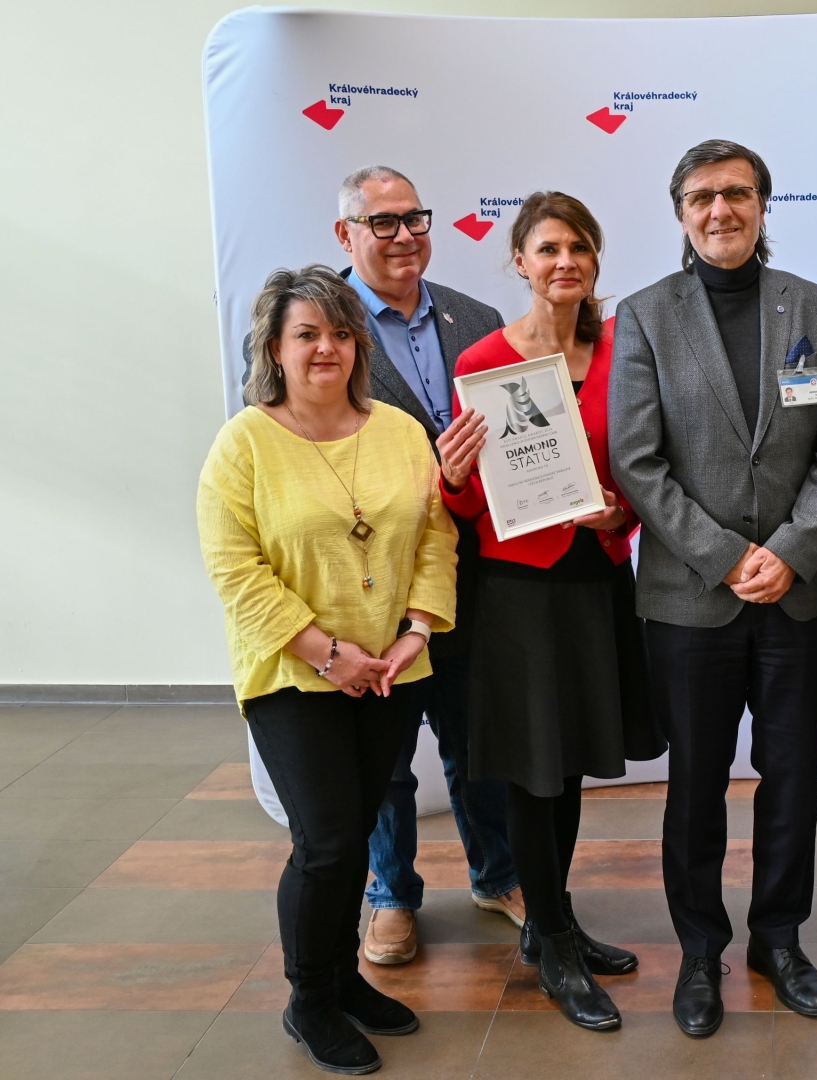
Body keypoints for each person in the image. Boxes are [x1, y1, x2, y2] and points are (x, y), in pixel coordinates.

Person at [609, 139, 817, 1037]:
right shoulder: (643, 315)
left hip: (799, 594)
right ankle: (699, 950)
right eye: (702, 196)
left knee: (791, 777)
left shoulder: (812, 307)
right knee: (695, 785)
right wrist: (723, 556)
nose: (721, 210)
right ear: (681, 211)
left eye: (737, 194)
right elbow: (636, 460)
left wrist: (789, 551)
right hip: (689, 598)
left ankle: (778, 939)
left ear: (762, 203)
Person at [198, 265, 459, 1075]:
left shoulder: (399, 431)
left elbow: (434, 536)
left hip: (389, 669)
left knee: (358, 830)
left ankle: (345, 979)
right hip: (293, 674)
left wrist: (416, 631)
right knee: (327, 840)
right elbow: (235, 569)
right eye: (306, 334)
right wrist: (326, 652)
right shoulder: (245, 441)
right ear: (274, 348)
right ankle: (308, 998)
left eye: (341, 333)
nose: (326, 349)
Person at [435, 192, 665, 1031]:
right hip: (517, 592)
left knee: (567, 768)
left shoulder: (621, 354)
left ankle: (552, 922)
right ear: (520, 263)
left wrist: (620, 515)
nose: (564, 261)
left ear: (594, 261)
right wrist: (453, 477)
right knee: (533, 772)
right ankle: (553, 941)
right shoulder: (484, 362)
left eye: (578, 248)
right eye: (547, 249)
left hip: (595, 582)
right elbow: (466, 505)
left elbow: (642, 468)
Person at [333, 166, 521, 965]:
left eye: (415, 218)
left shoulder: (474, 318)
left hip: (472, 567)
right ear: (345, 234)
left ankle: (498, 873)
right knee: (384, 754)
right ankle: (390, 895)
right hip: (368, 575)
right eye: (383, 222)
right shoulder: (318, 326)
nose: (404, 235)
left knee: (476, 736)